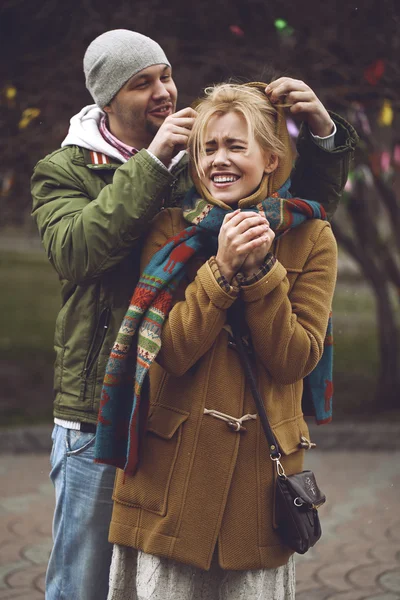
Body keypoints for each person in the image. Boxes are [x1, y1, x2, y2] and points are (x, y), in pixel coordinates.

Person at [30, 29, 357, 600]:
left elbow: (291, 204)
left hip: (170, 417)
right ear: (108, 99)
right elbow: (79, 253)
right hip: (97, 411)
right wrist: (157, 162)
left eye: (165, 75)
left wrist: (324, 132)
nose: (163, 92)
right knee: (82, 582)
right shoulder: (69, 170)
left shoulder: (197, 160)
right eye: (142, 84)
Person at [99, 81, 339, 600]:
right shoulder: (169, 230)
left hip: (259, 484)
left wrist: (260, 275)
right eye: (208, 149)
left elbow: (296, 357)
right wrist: (223, 271)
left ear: (271, 158)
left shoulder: (312, 235)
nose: (218, 161)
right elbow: (172, 353)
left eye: (235, 146)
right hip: (170, 476)